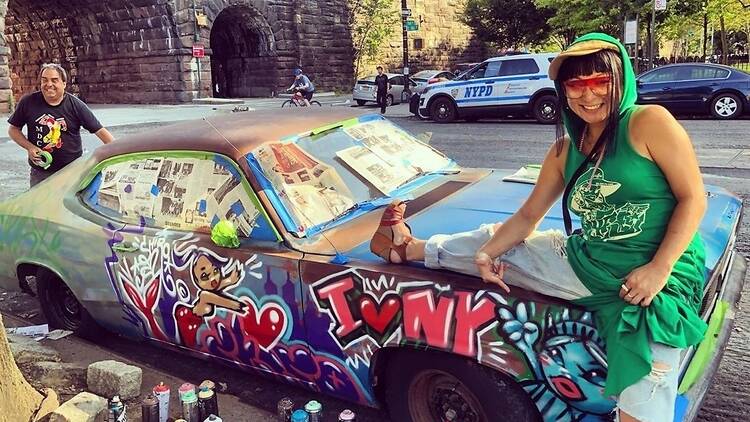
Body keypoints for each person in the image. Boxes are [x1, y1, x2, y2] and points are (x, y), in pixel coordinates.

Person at [369, 32, 707, 422]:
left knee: (650, 367)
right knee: (496, 242)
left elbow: (692, 198)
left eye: (601, 81)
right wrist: (486, 255)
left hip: (658, 270)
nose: (589, 95)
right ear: (562, 91)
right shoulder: (565, 148)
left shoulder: (649, 122)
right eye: (575, 85)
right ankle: (403, 247)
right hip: (590, 261)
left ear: (621, 79)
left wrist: (658, 269)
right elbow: (528, 217)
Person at [8, 63, 114, 187]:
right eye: (44, 80)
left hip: (71, 171)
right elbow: (13, 130)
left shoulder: (76, 105)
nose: (49, 85)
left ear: (64, 83)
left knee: (67, 205)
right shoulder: (28, 102)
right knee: (41, 205)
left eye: (54, 80)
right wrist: (29, 147)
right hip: (40, 172)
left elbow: (101, 132)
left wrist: (120, 154)